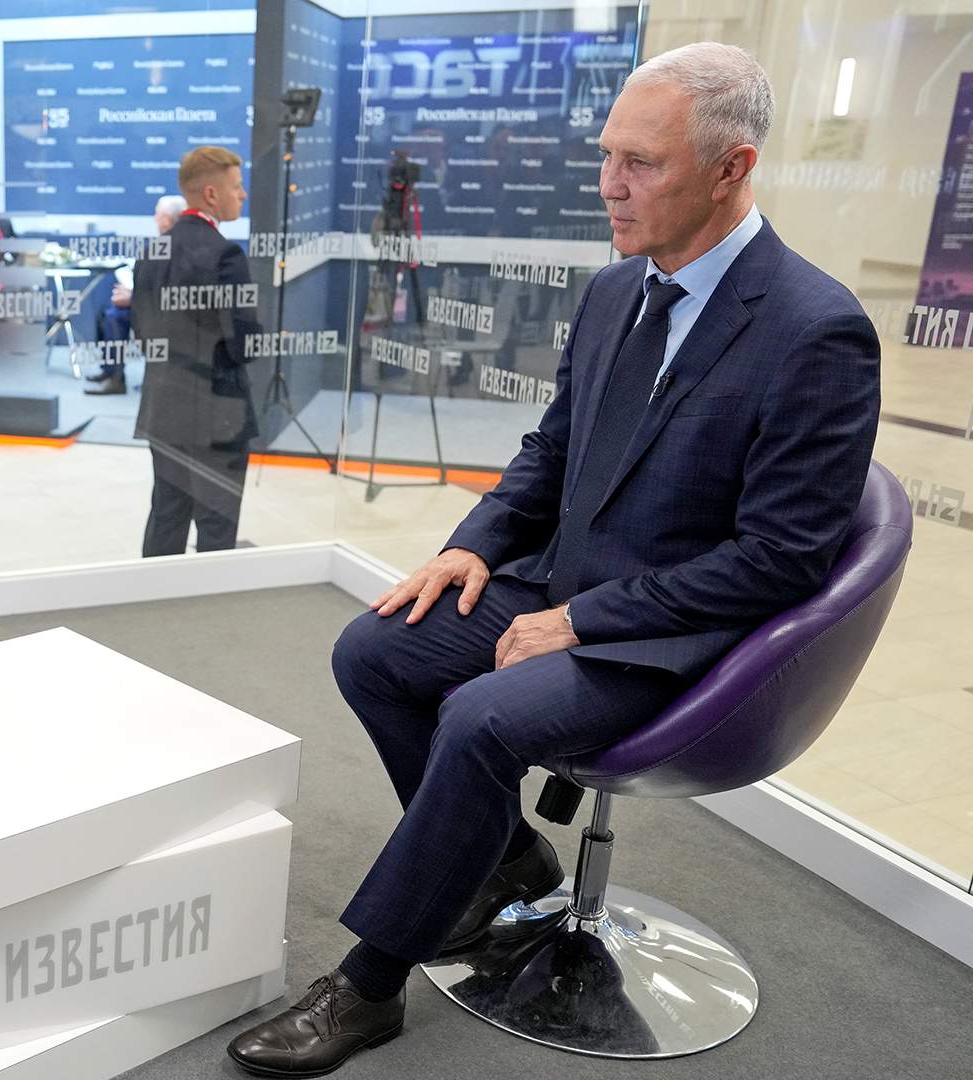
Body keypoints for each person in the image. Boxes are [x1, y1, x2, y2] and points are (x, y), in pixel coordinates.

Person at [225, 43, 880, 1077]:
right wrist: (469, 548)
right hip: (562, 584)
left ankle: (369, 985)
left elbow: (782, 561)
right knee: (373, 652)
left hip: (674, 637)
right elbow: (553, 452)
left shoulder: (817, 329)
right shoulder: (617, 291)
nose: (610, 185)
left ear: (732, 169)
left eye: (642, 163)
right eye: (607, 155)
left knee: (479, 720)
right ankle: (506, 858)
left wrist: (579, 622)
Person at [130, 148, 258, 557]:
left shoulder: (151, 253)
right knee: (216, 525)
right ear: (211, 194)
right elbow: (243, 344)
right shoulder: (227, 255)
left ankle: (153, 595)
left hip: (164, 408)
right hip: (218, 415)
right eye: (237, 187)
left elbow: (144, 335)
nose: (243, 195)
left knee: (167, 515)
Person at [87, 194, 184, 396]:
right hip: (149, 305)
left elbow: (170, 292)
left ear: (166, 220)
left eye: (157, 215)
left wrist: (132, 299)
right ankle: (109, 370)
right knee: (106, 312)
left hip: (164, 314)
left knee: (115, 316)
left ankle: (117, 380)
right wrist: (133, 294)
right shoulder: (163, 245)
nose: (154, 219)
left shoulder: (177, 248)